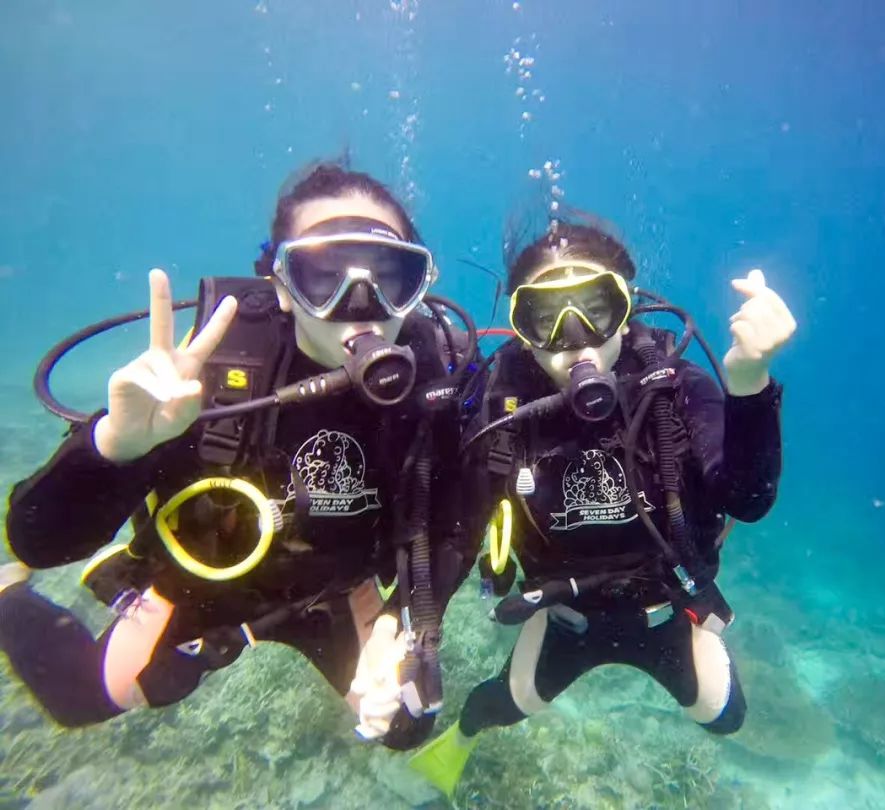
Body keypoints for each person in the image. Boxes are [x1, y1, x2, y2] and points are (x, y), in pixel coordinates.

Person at [0, 161, 479, 750]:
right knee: (75, 697)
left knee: (404, 723)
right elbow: (38, 544)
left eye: (390, 277)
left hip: (334, 587)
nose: (363, 304)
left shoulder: (429, 382)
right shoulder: (213, 376)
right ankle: (6, 593)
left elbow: (452, 520)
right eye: (323, 276)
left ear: (419, 287)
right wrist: (115, 449)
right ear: (280, 283)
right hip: (207, 582)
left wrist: (400, 621)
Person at [409, 218, 795, 794]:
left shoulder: (675, 388)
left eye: (596, 308)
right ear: (522, 327)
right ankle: (459, 741)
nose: (576, 337)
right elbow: (460, 532)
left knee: (728, 717)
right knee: (498, 707)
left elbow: (748, 498)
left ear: (628, 308)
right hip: (565, 619)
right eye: (547, 316)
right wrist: (418, 628)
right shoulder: (504, 408)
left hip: (668, 612)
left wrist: (750, 384)